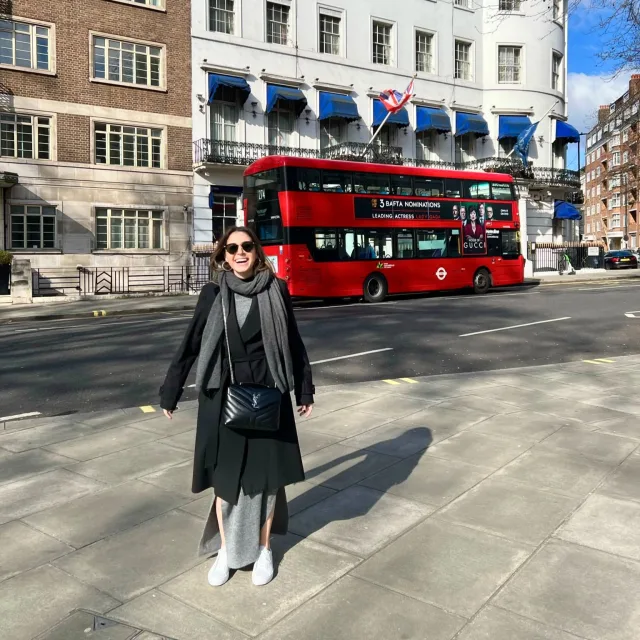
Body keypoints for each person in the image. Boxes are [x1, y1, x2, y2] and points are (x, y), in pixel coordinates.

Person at [159, 226, 314, 588]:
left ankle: (263, 550)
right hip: (222, 395)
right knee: (224, 480)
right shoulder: (213, 293)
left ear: (257, 251)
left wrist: (304, 390)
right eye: (231, 249)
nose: (239, 253)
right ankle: (227, 551)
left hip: (268, 393)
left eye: (246, 246)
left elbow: (293, 342)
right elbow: (191, 345)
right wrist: (171, 392)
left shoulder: (277, 290)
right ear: (222, 256)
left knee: (267, 479)